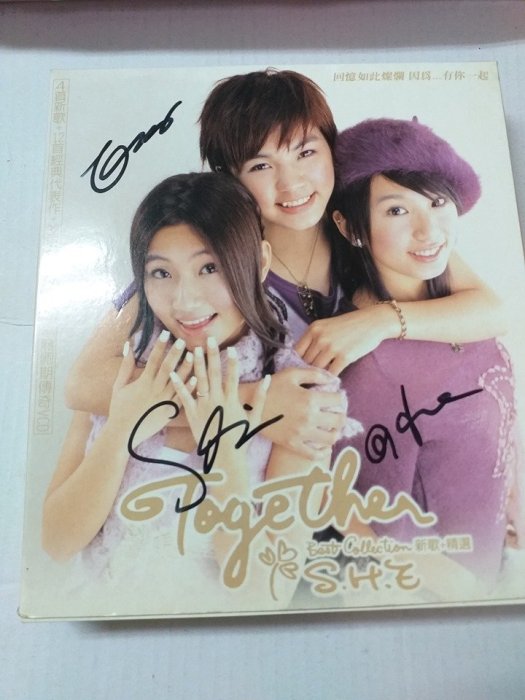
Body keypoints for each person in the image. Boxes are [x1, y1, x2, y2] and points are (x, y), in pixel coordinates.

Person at [65, 68, 507, 461]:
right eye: (261, 165)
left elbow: (492, 310)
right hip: (273, 487)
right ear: (230, 177)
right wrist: (252, 402)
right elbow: (84, 382)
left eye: (305, 153)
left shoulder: (364, 221)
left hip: (388, 459)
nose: (291, 182)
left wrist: (380, 322)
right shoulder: (212, 256)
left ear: (331, 147)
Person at [42, 173, 347, 614]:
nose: (185, 301)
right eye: (162, 273)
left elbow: (265, 593)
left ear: (260, 261)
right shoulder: (123, 372)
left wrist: (223, 445)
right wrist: (122, 428)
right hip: (104, 621)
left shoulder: (300, 396)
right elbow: (56, 543)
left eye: (210, 267)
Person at [331, 117, 521, 589]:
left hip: (500, 556)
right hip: (454, 594)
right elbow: (378, 524)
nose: (428, 229)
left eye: (437, 202)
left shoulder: (461, 306)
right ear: (351, 228)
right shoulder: (372, 369)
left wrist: (513, 498)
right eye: (397, 210)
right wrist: (473, 597)